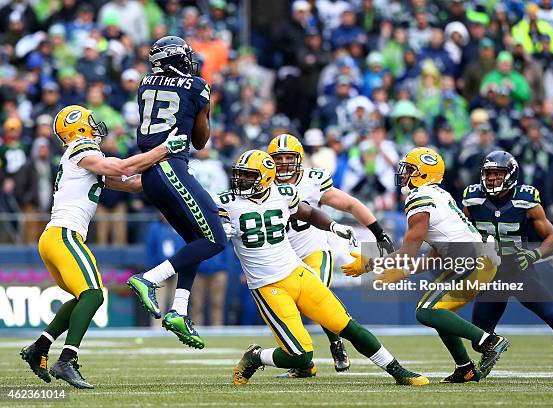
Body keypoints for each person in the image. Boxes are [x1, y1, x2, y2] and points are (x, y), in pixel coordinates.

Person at [216, 150, 428, 387]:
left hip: (298, 273)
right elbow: (208, 233)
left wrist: (334, 226)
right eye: (240, 174)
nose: (240, 180)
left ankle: (398, 371)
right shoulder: (226, 202)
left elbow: (308, 212)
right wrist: (218, 232)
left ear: (265, 178)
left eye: (248, 175)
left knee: (348, 326)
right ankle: (255, 356)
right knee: (300, 355)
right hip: (268, 285)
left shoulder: (284, 193)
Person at [20, 105, 186, 389]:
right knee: (94, 294)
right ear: (79, 128)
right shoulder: (81, 147)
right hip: (64, 235)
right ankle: (67, 360)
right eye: (90, 123)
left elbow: (132, 184)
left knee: (81, 297)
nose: (96, 127)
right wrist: (164, 149)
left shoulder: (81, 159)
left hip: (56, 237)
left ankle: (39, 348)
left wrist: (168, 171)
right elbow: (122, 167)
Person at [342, 147, 509, 383]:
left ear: (423, 174)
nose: (404, 175)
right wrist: (406, 271)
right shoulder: (439, 195)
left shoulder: (420, 199)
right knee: (437, 311)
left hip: (473, 261)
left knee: (427, 311)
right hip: (474, 259)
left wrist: (370, 264)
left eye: (410, 170)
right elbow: (439, 251)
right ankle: (465, 369)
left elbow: (409, 251)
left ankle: (489, 341)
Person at [463, 151, 553, 380]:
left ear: (510, 175)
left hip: (519, 271)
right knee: (478, 338)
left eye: (497, 174)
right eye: (488, 174)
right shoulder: (472, 198)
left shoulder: (526, 199)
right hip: (489, 274)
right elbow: (463, 232)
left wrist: (533, 255)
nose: (491, 179)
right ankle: (490, 353)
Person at [127, 36, 227, 349]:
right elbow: (201, 141)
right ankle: (149, 279)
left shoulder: (145, 83)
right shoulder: (196, 86)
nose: (190, 61)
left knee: (196, 241)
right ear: (175, 59)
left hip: (151, 174)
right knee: (215, 239)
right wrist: (205, 106)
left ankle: (179, 311)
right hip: (170, 166)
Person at [267, 134, 395, 377]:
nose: (283, 163)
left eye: (288, 157)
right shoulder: (262, 183)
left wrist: (377, 231)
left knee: (316, 296)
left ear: (299, 159)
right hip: (281, 257)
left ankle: (336, 343)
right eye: (278, 158)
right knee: (286, 308)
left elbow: (350, 204)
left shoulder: (312, 181)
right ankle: (303, 363)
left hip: (313, 249)